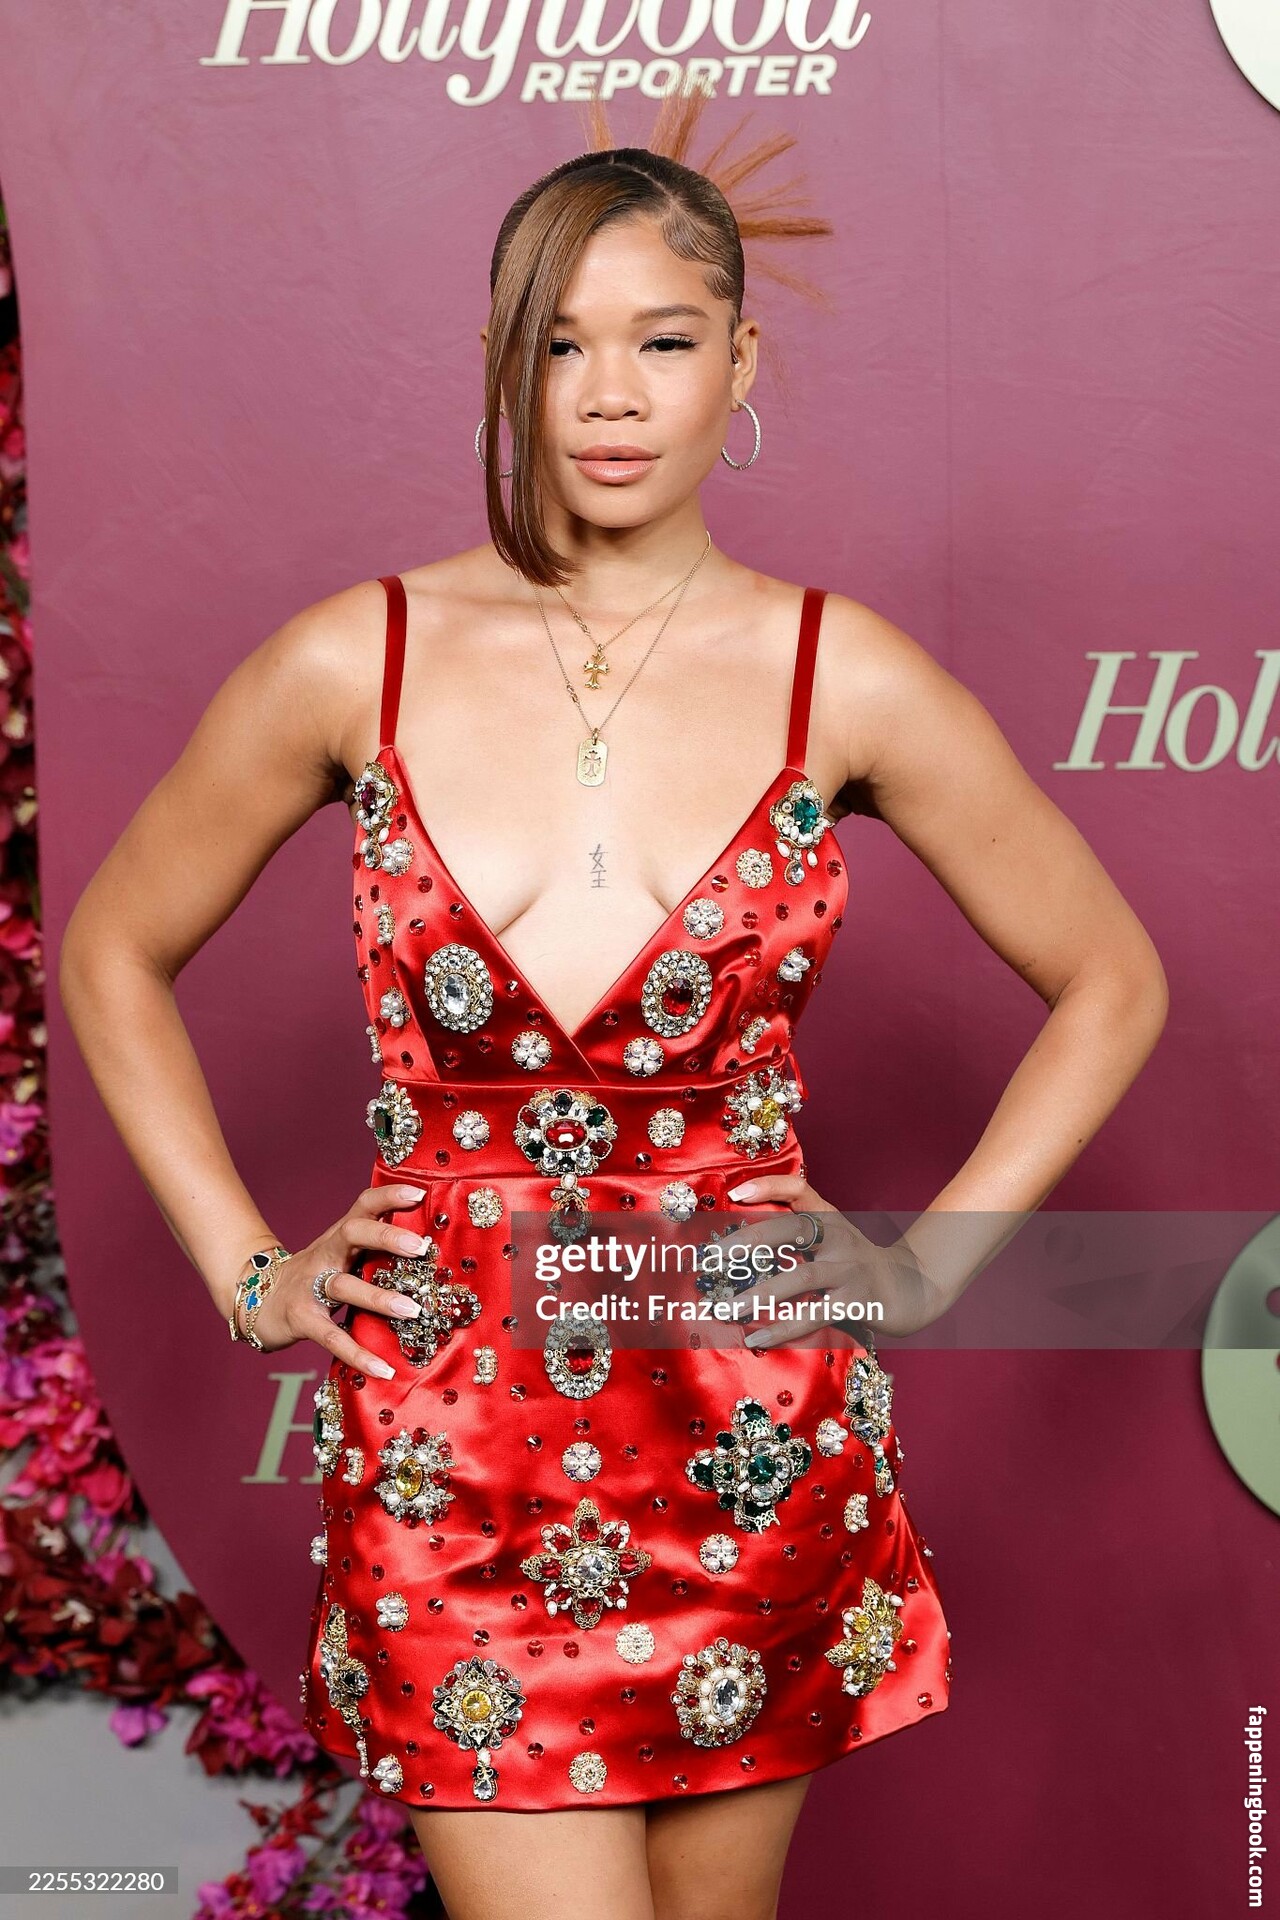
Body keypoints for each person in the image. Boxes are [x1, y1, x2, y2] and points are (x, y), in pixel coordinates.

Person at [59, 84, 1167, 1920]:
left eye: (663, 340)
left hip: (749, 1425)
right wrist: (249, 1269)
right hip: (452, 1443)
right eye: (561, 345)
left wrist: (926, 1268)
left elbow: (1110, 977)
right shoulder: (358, 659)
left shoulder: (840, 674)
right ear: (508, 369)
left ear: (742, 363)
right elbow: (113, 946)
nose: (611, 394)